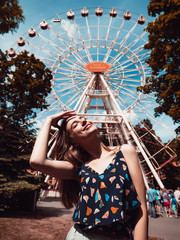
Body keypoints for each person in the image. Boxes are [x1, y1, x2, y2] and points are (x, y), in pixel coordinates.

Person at [30, 110, 148, 240]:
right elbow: (37, 162)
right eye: (75, 125)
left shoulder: (125, 152)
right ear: (73, 141)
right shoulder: (78, 168)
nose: (82, 121)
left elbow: (141, 209)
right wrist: (49, 121)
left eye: (82, 118)